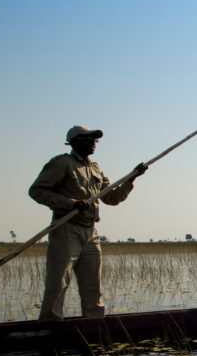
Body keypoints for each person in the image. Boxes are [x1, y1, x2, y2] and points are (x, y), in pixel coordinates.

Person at [29, 125, 147, 320]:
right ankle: (50, 325)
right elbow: (37, 191)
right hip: (66, 229)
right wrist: (71, 204)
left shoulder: (95, 168)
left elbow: (112, 198)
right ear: (74, 142)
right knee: (58, 282)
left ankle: (94, 325)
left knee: (93, 284)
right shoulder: (62, 163)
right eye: (88, 139)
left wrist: (132, 178)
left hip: (90, 232)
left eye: (95, 140)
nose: (93, 143)